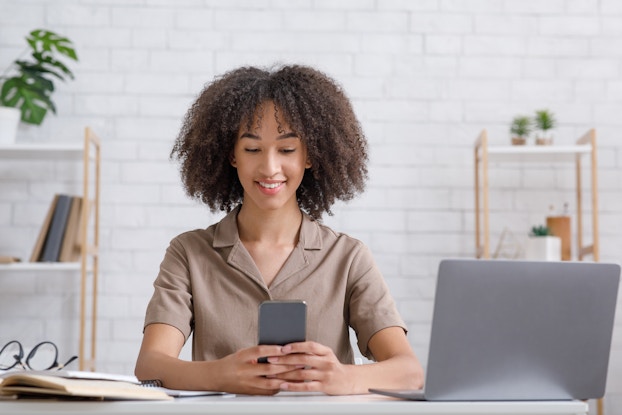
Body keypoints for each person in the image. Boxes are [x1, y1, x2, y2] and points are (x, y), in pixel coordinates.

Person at [135, 64, 424, 395]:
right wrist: (221, 374)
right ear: (232, 155)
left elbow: (409, 371)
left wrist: (344, 377)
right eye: (252, 149)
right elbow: (151, 365)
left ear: (310, 156)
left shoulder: (347, 257)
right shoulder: (189, 252)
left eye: (287, 149)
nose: (270, 167)